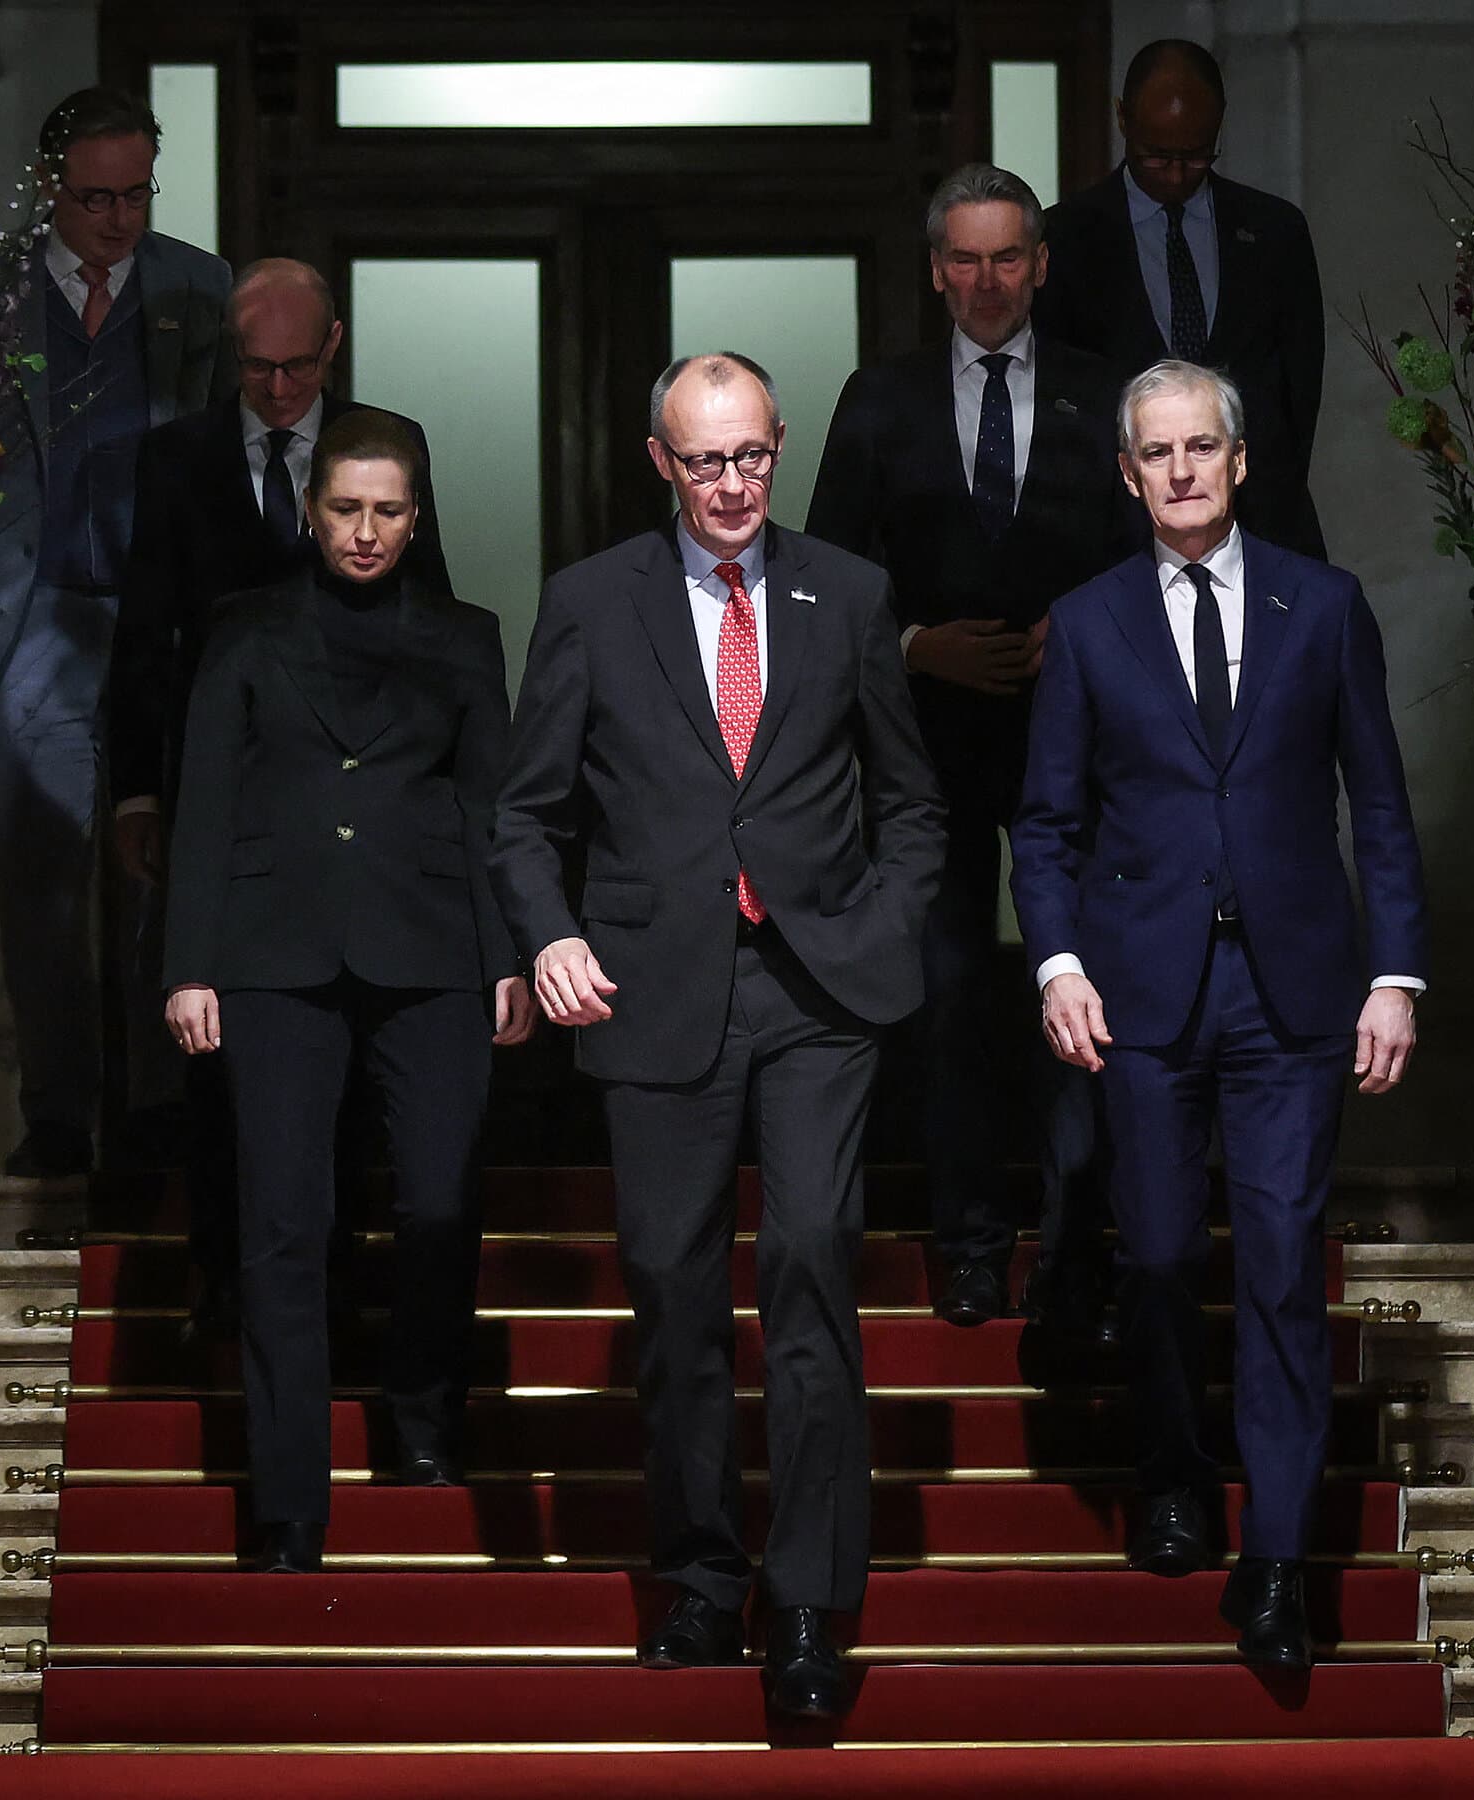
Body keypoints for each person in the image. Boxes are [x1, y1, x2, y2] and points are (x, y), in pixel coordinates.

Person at [490, 354, 944, 1718]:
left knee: (809, 1266)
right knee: (676, 1291)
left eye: (753, 457)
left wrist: (891, 919)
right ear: (660, 463)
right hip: (652, 986)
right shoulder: (589, 603)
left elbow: (914, 800)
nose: (735, 486)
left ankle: (808, 1603)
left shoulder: (848, 593)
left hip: (820, 994)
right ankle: (700, 1575)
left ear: (781, 448)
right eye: (706, 462)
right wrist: (553, 936)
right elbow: (524, 812)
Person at [1009, 360, 1427, 1668]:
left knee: (1287, 1269)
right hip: (1138, 992)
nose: (1184, 469)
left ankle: (1282, 1562)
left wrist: (1396, 976)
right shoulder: (1085, 623)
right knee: (1154, 1256)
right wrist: (1057, 963)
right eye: (1160, 452)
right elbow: (1047, 822)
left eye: (1206, 447)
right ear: (1129, 474)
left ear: (1239, 462)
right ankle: (1178, 1476)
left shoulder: (1326, 608)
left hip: (1296, 992)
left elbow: (1384, 807)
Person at [162, 409, 533, 1574]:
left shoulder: (468, 637)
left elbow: (490, 809)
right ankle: (288, 1501)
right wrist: (188, 962)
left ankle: (423, 1423)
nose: (364, 532)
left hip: (433, 950)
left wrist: (511, 955)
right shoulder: (245, 628)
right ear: (310, 511)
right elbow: (205, 802)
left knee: (437, 1203)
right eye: (343, 510)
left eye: (386, 512)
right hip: (274, 949)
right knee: (282, 1225)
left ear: (416, 520)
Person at [807, 163, 1126, 1331]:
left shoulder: (1106, 394)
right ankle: (973, 1249)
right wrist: (913, 648)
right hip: (924, 749)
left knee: (1081, 1001)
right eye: (965, 259)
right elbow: (825, 587)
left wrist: (1080, 635)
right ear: (935, 269)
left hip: (1073, 748)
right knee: (944, 1010)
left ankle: (1075, 1247)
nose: (987, 281)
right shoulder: (879, 399)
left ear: (1039, 265)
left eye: (1008, 258)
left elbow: (1156, 564)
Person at [109, 258, 452, 1331]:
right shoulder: (177, 458)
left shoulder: (384, 447)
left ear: (333, 346)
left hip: (362, 796)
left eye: (297, 365)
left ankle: (338, 1266)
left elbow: (430, 618)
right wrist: (135, 794)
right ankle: (226, 1271)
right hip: (226, 794)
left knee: (349, 1048)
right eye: (255, 367)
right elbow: (144, 637)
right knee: (219, 1054)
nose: (277, 386)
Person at [0, 86, 233, 1178]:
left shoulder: (196, 286)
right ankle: (61, 1113)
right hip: (32, 612)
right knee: (41, 871)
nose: (118, 217)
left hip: (157, 614)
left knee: (164, 865)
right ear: (49, 184)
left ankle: (157, 1109)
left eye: (136, 193)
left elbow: (219, 450)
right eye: (94, 197)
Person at [1033, 39, 1327, 560]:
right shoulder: (1065, 238)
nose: (1174, 173)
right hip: (1111, 544)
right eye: (1156, 155)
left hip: (1262, 531)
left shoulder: (1275, 233)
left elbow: (1297, 396)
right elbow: (1057, 403)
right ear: (1122, 119)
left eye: (1195, 156)